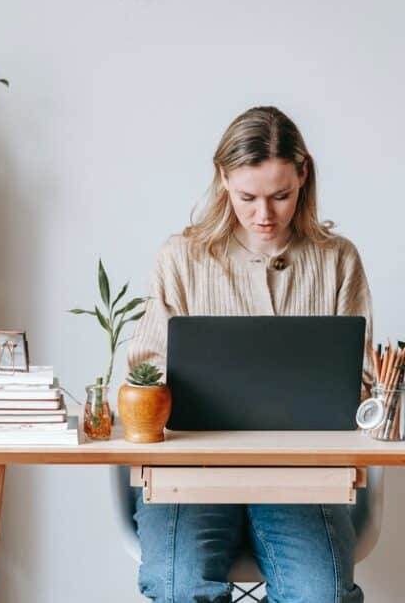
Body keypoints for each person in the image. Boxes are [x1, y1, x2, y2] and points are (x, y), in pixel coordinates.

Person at [127, 106, 374, 603]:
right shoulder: (181, 257)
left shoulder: (337, 259)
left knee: (320, 595)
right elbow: (144, 370)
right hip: (190, 476)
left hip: (302, 479)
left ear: (303, 175)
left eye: (280, 196)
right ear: (223, 179)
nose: (265, 215)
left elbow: (363, 385)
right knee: (179, 589)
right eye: (248, 197)